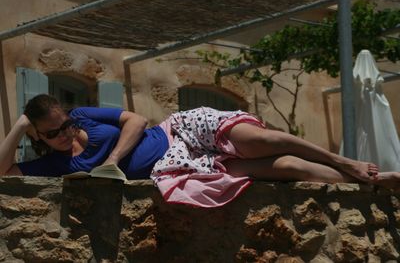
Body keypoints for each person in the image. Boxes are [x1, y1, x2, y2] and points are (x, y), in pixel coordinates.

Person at [0, 94, 394, 206]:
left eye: (66, 123)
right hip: (181, 167)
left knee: (264, 140)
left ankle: (344, 160)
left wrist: (112, 162)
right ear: (38, 135)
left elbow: (136, 121)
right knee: (287, 167)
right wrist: (19, 126)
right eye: (54, 132)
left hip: (180, 131)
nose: (67, 133)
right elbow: (5, 174)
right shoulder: (52, 162)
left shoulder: (86, 115)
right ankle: (375, 181)